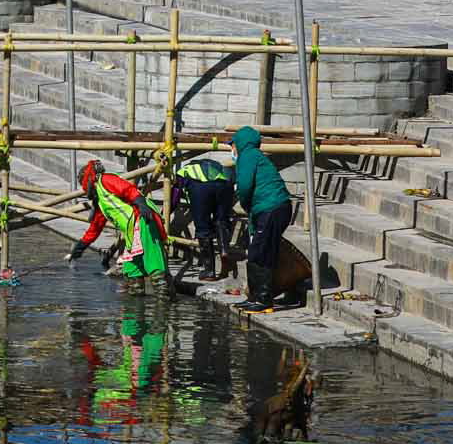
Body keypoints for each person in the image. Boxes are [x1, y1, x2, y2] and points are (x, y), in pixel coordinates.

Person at [64, 159, 170, 281]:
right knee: (132, 272)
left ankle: (163, 298)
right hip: (131, 233)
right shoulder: (101, 201)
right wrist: (79, 248)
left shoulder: (105, 180)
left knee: (155, 266)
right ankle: (136, 297)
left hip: (142, 221)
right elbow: (95, 229)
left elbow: (128, 190)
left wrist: (141, 204)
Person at [232, 124, 293, 312]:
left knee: (259, 252)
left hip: (272, 208)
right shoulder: (255, 156)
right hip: (274, 208)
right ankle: (256, 296)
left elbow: (244, 185)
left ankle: (263, 299)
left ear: (240, 144)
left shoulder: (248, 156)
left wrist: (243, 202)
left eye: (232, 145)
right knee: (260, 250)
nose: (231, 149)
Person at [174, 149, 236, 282]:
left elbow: (176, 193)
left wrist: (172, 208)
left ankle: (209, 271)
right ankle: (224, 249)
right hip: (224, 185)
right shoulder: (216, 166)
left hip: (200, 188)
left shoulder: (184, 171)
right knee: (221, 220)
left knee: (203, 228)